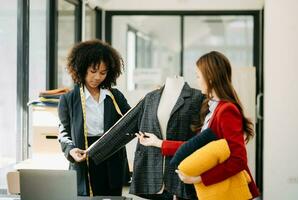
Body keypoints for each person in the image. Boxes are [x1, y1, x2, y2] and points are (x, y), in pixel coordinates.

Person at [174, 51, 260, 199]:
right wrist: (158, 143)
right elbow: (196, 146)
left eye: (198, 76)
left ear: (211, 78)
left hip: (226, 192)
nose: (197, 81)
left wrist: (199, 179)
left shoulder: (226, 110)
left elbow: (238, 160)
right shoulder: (212, 108)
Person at [58, 39, 131, 196]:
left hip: (112, 159)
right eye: (93, 71)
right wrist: (71, 151)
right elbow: (63, 132)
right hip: (83, 156)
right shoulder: (68, 99)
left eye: (103, 73)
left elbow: (131, 120)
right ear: (81, 69)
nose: (97, 77)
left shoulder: (115, 96)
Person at [134, 76, 203, 200]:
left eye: (198, 75)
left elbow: (198, 142)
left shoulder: (197, 97)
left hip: (181, 172)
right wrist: (92, 151)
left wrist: (159, 143)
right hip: (153, 172)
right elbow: (125, 125)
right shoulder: (151, 97)